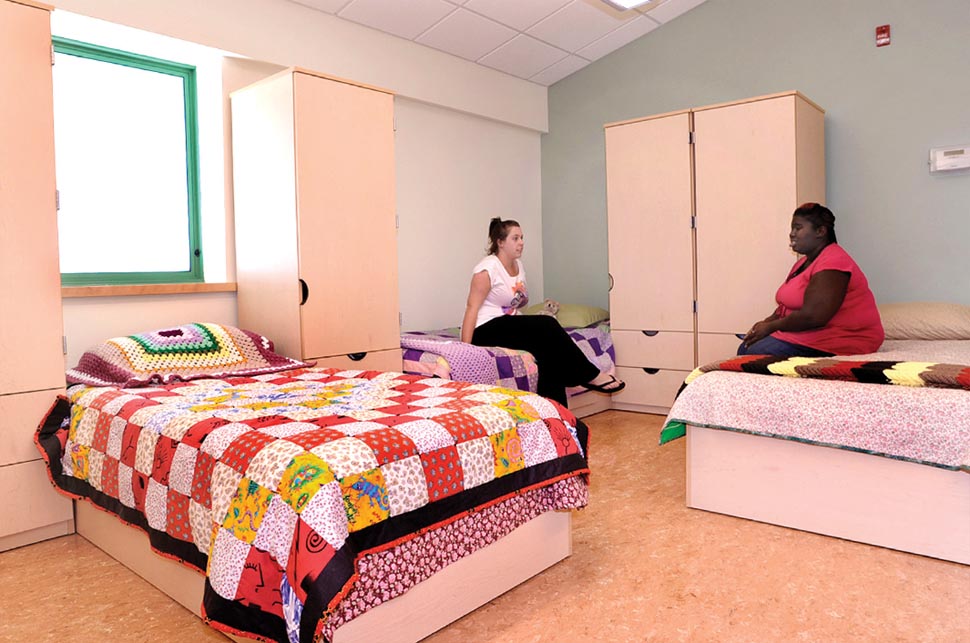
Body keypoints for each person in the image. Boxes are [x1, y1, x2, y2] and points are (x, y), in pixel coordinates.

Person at [461, 217, 625, 405]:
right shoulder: (488, 268)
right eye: (515, 238)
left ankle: (556, 413)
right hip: (484, 329)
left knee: (548, 352)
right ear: (500, 242)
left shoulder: (518, 265)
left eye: (522, 238)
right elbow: (471, 307)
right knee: (547, 324)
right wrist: (465, 349)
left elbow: (517, 302)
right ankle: (589, 374)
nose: (521, 243)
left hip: (506, 324)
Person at [739, 202, 884, 357]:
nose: (792, 234)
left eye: (798, 228)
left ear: (820, 231)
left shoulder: (834, 261)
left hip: (844, 337)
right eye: (792, 228)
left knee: (754, 351)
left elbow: (814, 317)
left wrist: (771, 327)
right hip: (812, 332)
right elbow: (785, 307)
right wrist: (766, 323)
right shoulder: (803, 263)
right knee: (748, 347)